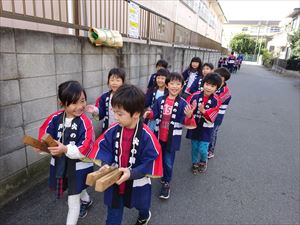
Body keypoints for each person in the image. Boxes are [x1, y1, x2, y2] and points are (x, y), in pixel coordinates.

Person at [87, 84, 163, 225]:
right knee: (113, 217)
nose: (115, 117)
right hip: (114, 180)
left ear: (136, 114)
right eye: (114, 112)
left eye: (120, 114)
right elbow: (104, 148)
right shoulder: (112, 130)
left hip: (137, 180)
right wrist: (105, 165)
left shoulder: (147, 136)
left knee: (142, 205)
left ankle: (144, 215)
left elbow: (151, 160)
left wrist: (133, 173)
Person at [38, 80, 94, 225]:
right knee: (75, 186)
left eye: (82, 101)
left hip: (78, 166)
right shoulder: (55, 118)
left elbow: (86, 147)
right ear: (62, 103)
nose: (80, 106)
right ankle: (86, 199)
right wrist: (41, 146)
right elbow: (45, 135)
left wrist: (66, 149)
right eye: (74, 103)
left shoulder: (85, 122)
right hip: (60, 163)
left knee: (73, 200)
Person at [144, 72, 196, 199]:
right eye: (172, 83)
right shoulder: (160, 100)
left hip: (172, 139)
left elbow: (186, 122)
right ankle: (155, 174)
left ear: (182, 86)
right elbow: (154, 114)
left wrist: (189, 116)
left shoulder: (183, 103)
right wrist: (148, 114)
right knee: (156, 157)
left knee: (168, 162)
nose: (174, 86)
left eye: (178, 84)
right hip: (158, 135)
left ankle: (166, 182)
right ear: (167, 85)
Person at [186, 73, 222, 174]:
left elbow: (215, 114)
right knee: (194, 146)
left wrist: (204, 112)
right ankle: (194, 163)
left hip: (207, 128)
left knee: (203, 148)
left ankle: (203, 161)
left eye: (212, 86)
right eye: (207, 84)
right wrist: (190, 111)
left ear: (216, 88)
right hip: (194, 126)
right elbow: (187, 108)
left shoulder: (216, 100)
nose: (209, 88)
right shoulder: (195, 95)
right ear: (203, 84)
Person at [85, 68, 126, 134]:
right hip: (109, 127)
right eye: (112, 80)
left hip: (124, 127)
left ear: (123, 82)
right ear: (108, 82)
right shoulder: (105, 97)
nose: (114, 83)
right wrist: (95, 110)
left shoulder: (127, 96)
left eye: (118, 80)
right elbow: (102, 113)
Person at [208, 68, 232, 159]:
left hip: (217, 116)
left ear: (222, 78)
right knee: (208, 131)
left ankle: (211, 150)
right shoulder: (215, 86)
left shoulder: (226, 92)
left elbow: (216, 101)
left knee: (213, 132)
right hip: (208, 114)